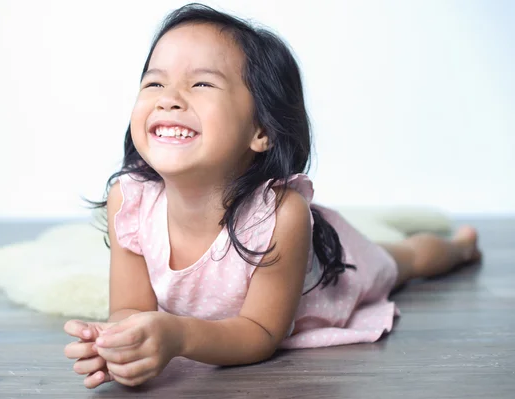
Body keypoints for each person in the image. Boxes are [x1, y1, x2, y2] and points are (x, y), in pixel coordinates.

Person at [63, 3, 482, 389]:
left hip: (330, 275)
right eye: (154, 82)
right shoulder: (131, 201)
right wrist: (117, 341)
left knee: (403, 260)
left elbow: (261, 332)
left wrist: (177, 335)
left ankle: (459, 248)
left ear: (260, 130)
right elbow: (131, 307)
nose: (169, 99)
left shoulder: (282, 215)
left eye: (202, 83)